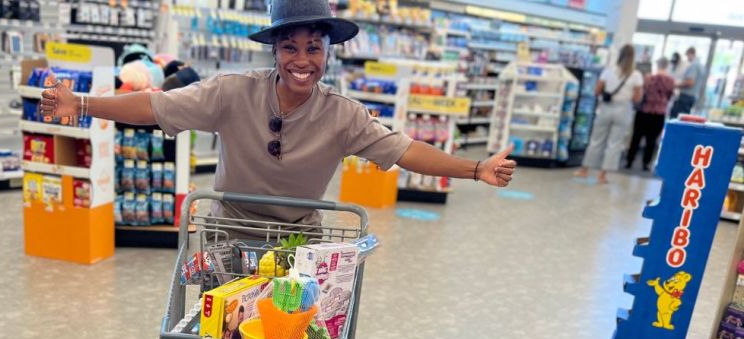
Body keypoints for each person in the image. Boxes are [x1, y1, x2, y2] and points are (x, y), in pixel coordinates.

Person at [39, 0, 516, 229]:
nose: (302, 60)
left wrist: (476, 168)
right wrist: (80, 104)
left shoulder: (343, 116)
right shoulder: (232, 93)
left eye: (314, 47)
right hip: (229, 233)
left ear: (329, 52)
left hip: (299, 244)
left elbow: (404, 150)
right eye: (290, 47)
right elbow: (155, 105)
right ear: (275, 51)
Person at [575, 44, 643, 184]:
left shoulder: (609, 71)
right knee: (615, 143)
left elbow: (597, 90)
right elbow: (637, 98)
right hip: (623, 109)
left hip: (606, 107)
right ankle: (602, 175)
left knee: (596, 139)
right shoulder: (636, 75)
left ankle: (585, 170)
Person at [625, 57, 675, 171]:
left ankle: (629, 160)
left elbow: (642, 93)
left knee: (636, 137)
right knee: (651, 140)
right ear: (667, 66)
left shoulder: (648, 78)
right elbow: (669, 96)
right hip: (659, 113)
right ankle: (646, 163)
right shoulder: (670, 81)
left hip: (644, 111)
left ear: (657, 65)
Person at [670, 47, 706, 118]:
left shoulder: (694, 65)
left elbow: (689, 83)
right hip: (692, 96)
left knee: (676, 118)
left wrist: (675, 85)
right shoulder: (701, 66)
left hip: (685, 97)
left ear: (691, 54)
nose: (687, 58)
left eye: (687, 55)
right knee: (684, 117)